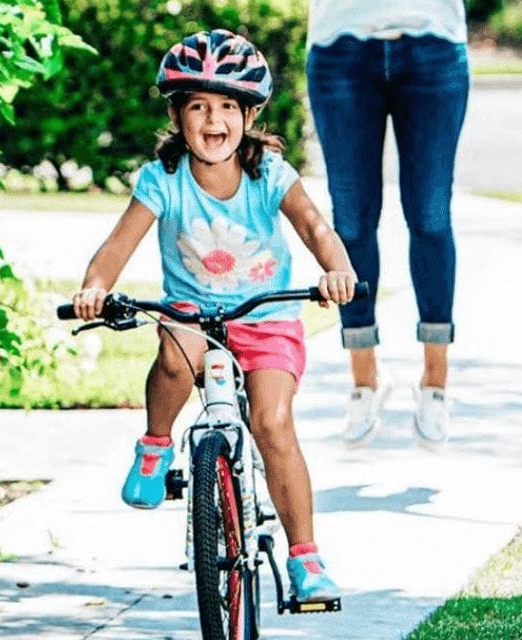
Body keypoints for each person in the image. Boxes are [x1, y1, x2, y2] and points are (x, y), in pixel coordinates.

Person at [72, 30, 358, 603]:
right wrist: (96, 287)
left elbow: (314, 228)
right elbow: (118, 243)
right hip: (191, 314)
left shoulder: (269, 174)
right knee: (177, 357)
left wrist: (336, 269)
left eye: (228, 106)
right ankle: (155, 446)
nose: (213, 119)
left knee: (273, 422)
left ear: (249, 115)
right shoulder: (164, 180)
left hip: (266, 315)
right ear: (177, 115)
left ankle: (306, 559)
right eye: (198, 105)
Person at [305, 0, 470, 446]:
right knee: (353, 222)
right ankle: (364, 382)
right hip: (340, 46)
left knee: (431, 217)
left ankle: (435, 386)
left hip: (433, 42)